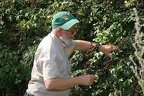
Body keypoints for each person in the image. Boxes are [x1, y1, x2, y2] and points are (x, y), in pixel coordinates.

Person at [24, 11, 118, 96]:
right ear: (59, 31)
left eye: (74, 30)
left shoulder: (60, 41)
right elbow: (50, 84)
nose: (74, 34)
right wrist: (80, 80)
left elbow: (77, 44)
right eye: (71, 31)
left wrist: (101, 48)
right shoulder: (50, 50)